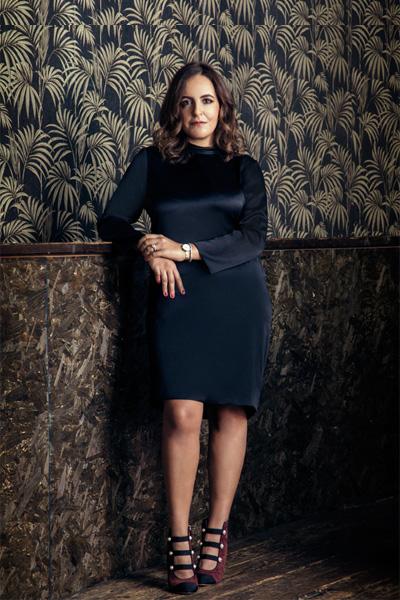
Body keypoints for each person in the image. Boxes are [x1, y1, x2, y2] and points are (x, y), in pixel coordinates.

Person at [97, 61, 272, 595]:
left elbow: (253, 238)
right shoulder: (152, 163)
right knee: (181, 414)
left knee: (231, 413)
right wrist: (148, 246)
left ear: (223, 109)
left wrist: (186, 249)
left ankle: (216, 532)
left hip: (238, 298)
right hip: (179, 299)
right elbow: (112, 219)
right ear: (175, 109)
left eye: (208, 101)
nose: (198, 111)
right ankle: (178, 538)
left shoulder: (244, 169)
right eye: (188, 101)